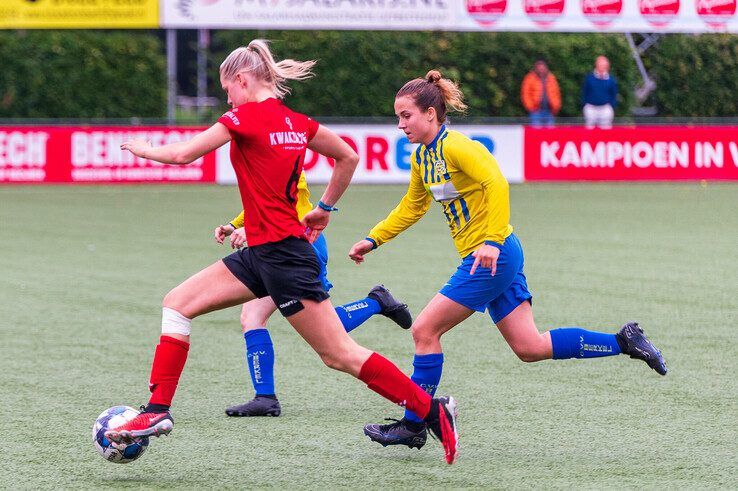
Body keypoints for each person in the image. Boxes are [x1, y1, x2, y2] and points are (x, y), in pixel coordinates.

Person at [105, 40, 459, 465]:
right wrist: (324, 209)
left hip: (284, 258)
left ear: (241, 80)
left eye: (227, 90)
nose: (227, 99)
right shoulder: (297, 122)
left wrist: (142, 149)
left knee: (339, 355)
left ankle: (431, 411)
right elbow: (348, 156)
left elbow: (183, 154)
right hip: (264, 252)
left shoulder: (240, 117)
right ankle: (156, 412)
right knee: (177, 304)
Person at [349, 69, 666, 450]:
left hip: (491, 257)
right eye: (398, 117)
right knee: (529, 347)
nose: (400, 124)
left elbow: (496, 182)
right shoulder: (422, 158)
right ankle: (623, 341)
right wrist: (374, 238)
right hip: (493, 256)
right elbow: (412, 207)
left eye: (406, 116)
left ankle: (415, 423)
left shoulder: (457, 147)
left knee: (424, 331)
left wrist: (492, 241)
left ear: (431, 113)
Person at [215, 176, 413, 417]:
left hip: (300, 245)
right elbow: (261, 202)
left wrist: (253, 229)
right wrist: (235, 225)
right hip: (272, 249)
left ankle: (375, 302)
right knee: (252, 317)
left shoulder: (282, 148)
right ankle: (265, 397)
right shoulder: (258, 152)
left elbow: (285, 206)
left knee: (324, 330)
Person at [520, 59, 561, 128]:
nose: (541, 70)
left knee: (550, 134)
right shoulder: (530, 78)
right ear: (536, 69)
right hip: (536, 111)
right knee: (536, 133)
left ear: (546, 68)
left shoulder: (551, 78)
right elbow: (525, 94)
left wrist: (556, 106)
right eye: (539, 68)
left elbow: (556, 93)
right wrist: (530, 107)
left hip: (549, 111)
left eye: (543, 68)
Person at [582, 55, 618, 129]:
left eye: (604, 66)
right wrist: (585, 105)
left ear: (607, 67)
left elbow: (613, 94)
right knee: (589, 131)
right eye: (600, 65)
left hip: (605, 108)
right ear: (596, 65)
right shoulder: (589, 78)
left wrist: (611, 105)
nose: (602, 67)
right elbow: (584, 92)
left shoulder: (611, 80)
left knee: (606, 132)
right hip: (591, 108)